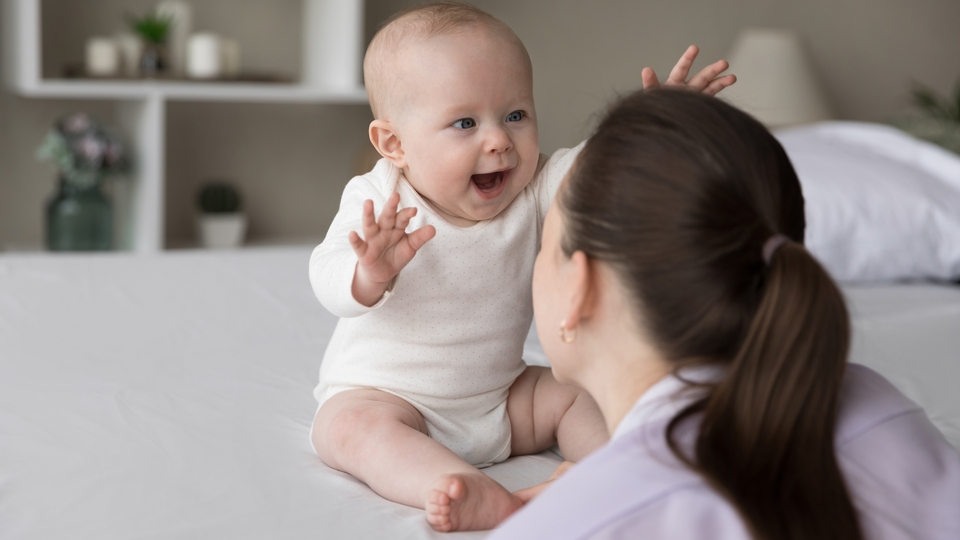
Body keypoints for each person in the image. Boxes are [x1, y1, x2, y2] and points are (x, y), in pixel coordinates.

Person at [307, 2, 735, 533]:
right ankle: (469, 489)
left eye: (516, 114)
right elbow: (325, 274)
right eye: (465, 122)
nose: (499, 140)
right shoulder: (380, 199)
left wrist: (653, 124)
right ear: (394, 144)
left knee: (579, 390)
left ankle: (611, 469)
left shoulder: (534, 191)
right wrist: (370, 272)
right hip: (392, 396)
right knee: (345, 429)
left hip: (502, 398)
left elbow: (600, 168)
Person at [488, 88, 960, 540]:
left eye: (544, 245)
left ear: (578, 286)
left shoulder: (565, 527)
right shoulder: (884, 408)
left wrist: (594, 500)